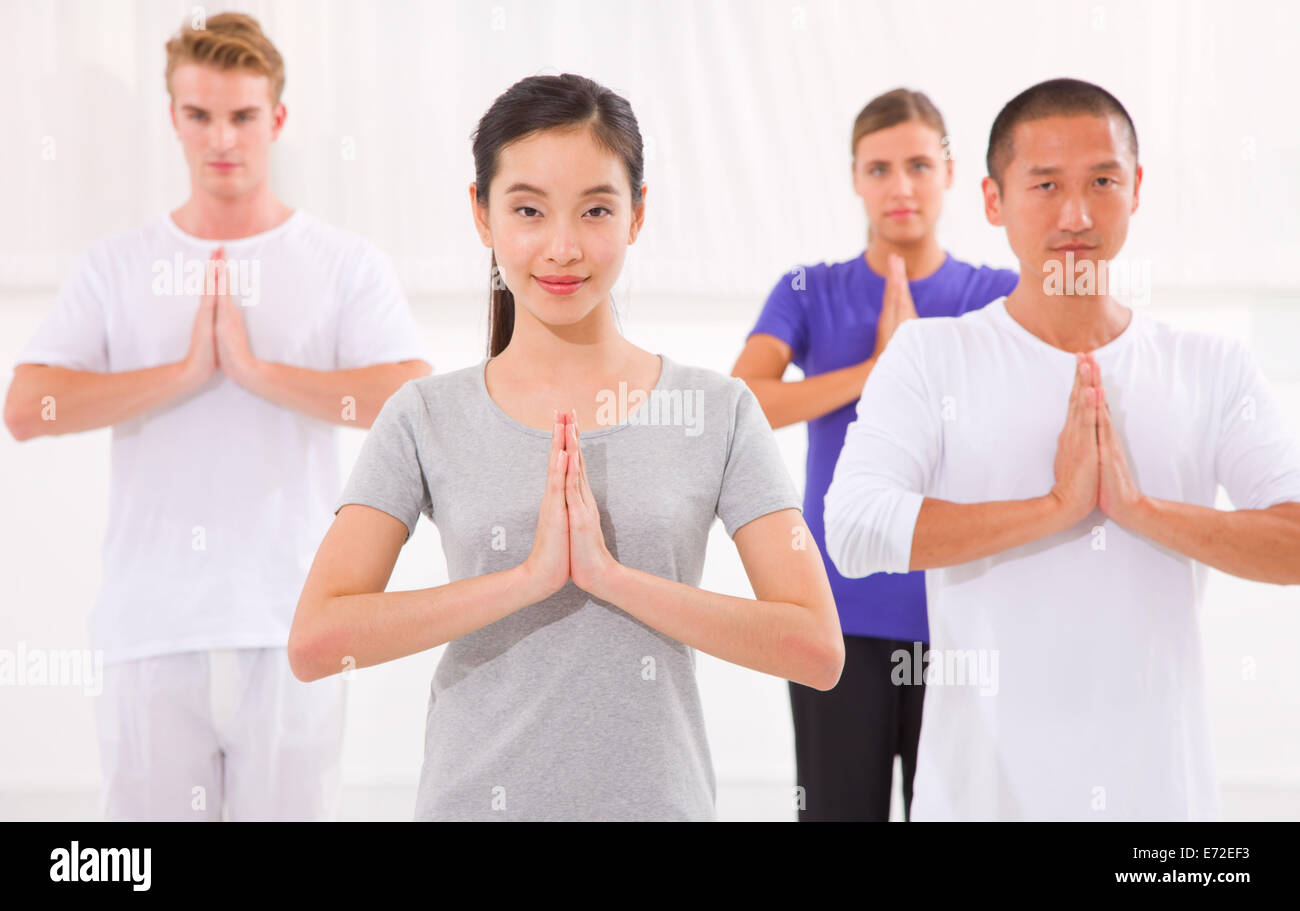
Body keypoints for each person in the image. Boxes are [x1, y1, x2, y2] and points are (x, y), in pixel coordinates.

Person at [288, 73, 844, 822]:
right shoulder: (424, 414)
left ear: (638, 215)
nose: (562, 247)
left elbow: (815, 646)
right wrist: (526, 579)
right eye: (527, 209)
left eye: (595, 209)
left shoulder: (718, 411)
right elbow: (318, 641)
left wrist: (612, 577)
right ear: (481, 214)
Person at [823, 77, 1300, 821]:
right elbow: (852, 527)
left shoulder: (1210, 364)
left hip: (1161, 811)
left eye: (1102, 181)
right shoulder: (931, 355)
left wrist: (1135, 508)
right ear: (992, 198)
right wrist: (1053, 508)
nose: (1075, 214)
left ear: (1136, 189)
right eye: (1045, 184)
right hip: (978, 801)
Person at [3, 13, 431, 821]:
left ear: (276, 119)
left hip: (290, 623)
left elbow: (408, 392)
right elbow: (27, 407)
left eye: (241, 115)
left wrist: (259, 372)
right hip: (151, 631)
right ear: (173, 118)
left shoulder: (341, 262)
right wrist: (184, 373)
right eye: (199, 115)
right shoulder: (115, 265)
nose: (221, 137)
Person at [731, 88, 1017, 821]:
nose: (900, 186)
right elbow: (743, 402)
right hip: (837, 613)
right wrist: (881, 366)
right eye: (880, 168)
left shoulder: (996, 294)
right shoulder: (809, 289)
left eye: (919, 165)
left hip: (961, 612)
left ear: (950, 173)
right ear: (855, 177)